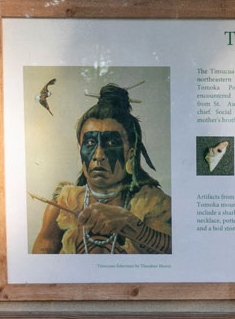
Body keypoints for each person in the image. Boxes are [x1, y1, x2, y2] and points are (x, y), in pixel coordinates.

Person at [32, 83, 171, 254]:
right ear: (79, 148)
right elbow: (40, 267)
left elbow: (180, 254)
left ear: (130, 153)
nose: (99, 155)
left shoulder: (154, 205)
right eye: (90, 143)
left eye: (112, 143)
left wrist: (135, 227)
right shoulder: (63, 205)